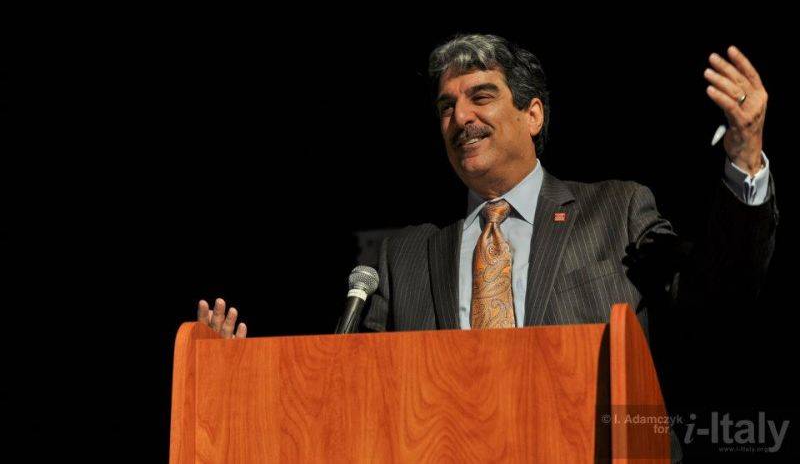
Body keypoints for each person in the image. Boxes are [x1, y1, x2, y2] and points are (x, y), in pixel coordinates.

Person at [195, 34, 777, 461]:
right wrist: (240, 378)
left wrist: (745, 160)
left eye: (480, 97)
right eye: (446, 107)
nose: (461, 117)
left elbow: (718, 290)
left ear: (533, 114)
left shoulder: (615, 209)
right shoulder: (402, 257)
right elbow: (349, 394)